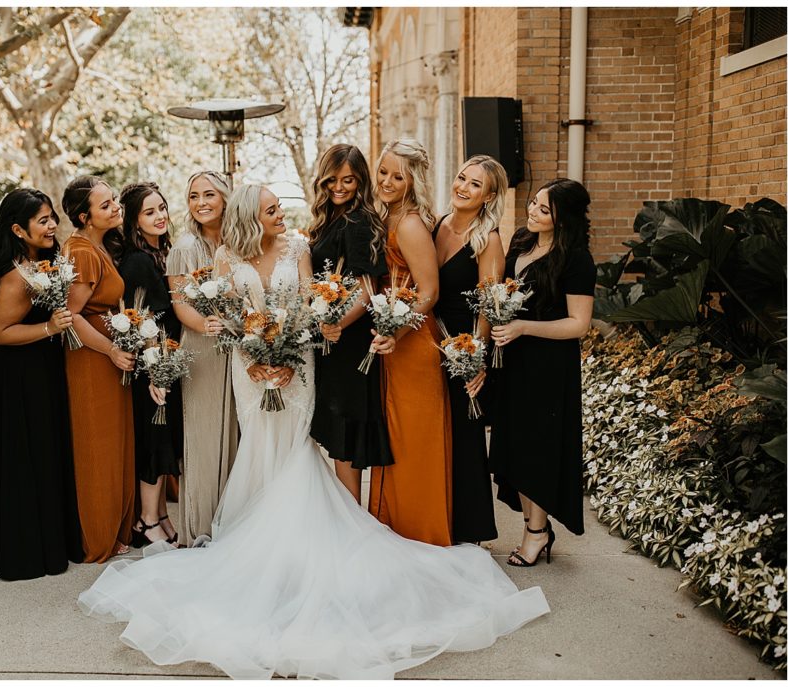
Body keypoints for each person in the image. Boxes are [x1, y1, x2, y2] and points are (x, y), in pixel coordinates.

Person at [77, 184, 549, 680]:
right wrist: (257, 356)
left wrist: (285, 354)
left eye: (280, 208)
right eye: (271, 210)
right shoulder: (224, 255)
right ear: (249, 218)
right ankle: (257, 542)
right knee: (258, 445)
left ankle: (290, 549)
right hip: (248, 366)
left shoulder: (298, 248)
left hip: (297, 362)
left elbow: (307, 305)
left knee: (296, 446)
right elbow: (230, 315)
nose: (281, 214)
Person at [488, 178, 596, 566]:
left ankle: (536, 532)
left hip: (548, 368)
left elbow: (578, 324)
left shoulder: (576, 259)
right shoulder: (520, 241)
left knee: (537, 452)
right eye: (533, 203)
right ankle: (537, 528)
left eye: (543, 209)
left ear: (561, 219)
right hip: (512, 363)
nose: (532, 211)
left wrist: (523, 327)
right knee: (515, 449)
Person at [0, 188, 83, 580]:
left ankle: (52, 540)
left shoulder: (43, 264)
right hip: (17, 375)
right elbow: (0, 333)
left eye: (52, 216)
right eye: (43, 220)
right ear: (19, 230)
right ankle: (26, 550)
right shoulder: (15, 276)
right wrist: (49, 326)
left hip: (42, 367)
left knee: (46, 453)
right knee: (27, 456)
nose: (52, 224)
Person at [367, 138, 455, 547]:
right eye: (383, 171)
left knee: (413, 438)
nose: (386, 181)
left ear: (413, 180)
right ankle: (392, 524)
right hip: (394, 341)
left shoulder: (410, 224)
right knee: (395, 435)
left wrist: (395, 329)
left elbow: (428, 292)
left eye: (397, 176)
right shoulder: (388, 215)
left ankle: (419, 531)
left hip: (414, 344)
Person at [307, 144, 391, 502]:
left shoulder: (360, 221)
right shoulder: (329, 220)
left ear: (361, 182)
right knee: (338, 430)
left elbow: (367, 284)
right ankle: (348, 516)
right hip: (330, 339)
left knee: (346, 433)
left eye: (349, 180)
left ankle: (351, 517)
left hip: (350, 340)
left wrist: (337, 322)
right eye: (332, 180)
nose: (339, 187)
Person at [432, 155, 509, 544]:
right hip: (429, 339)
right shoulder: (437, 224)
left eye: (475, 184)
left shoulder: (488, 238)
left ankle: (471, 529)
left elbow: (488, 304)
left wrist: (475, 358)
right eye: (462, 178)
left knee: (465, 434)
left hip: (463, 344)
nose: (463, 187)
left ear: (489, 195)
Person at [62, 176, 136, 562]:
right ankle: (98, 539)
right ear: (84, 216)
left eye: (114, 202)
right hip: (92, 360)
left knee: (114, 444)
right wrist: (111, 350)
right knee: (98, 447)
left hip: (109, 358)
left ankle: (114, 530)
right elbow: (71, 316)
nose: (115, 208)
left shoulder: (96, 246)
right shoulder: (82, 252)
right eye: (105, 205)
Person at [165, 171, 240, 546]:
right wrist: (206, 324)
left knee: (240, 433)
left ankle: (237, 520)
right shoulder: (183, 248)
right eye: (193, 196)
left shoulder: (241, 242)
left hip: (241, 347)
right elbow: (180, 305)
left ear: (226, 198)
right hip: (202, 348)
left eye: (208, 194)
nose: (201, 203)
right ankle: (201, 526)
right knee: (205, 434)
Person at [117, 182, 183, 547]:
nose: (160, 216)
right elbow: (141, 319)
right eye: (149, 212)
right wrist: (155, 368)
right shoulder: (138, 261)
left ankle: (160, 515)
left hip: (168, 359)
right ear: (133, 220)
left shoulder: (163, 253)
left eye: (162, 208)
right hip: (152, 365)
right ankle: (146, 521)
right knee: (154, 441)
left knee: (165, 439)